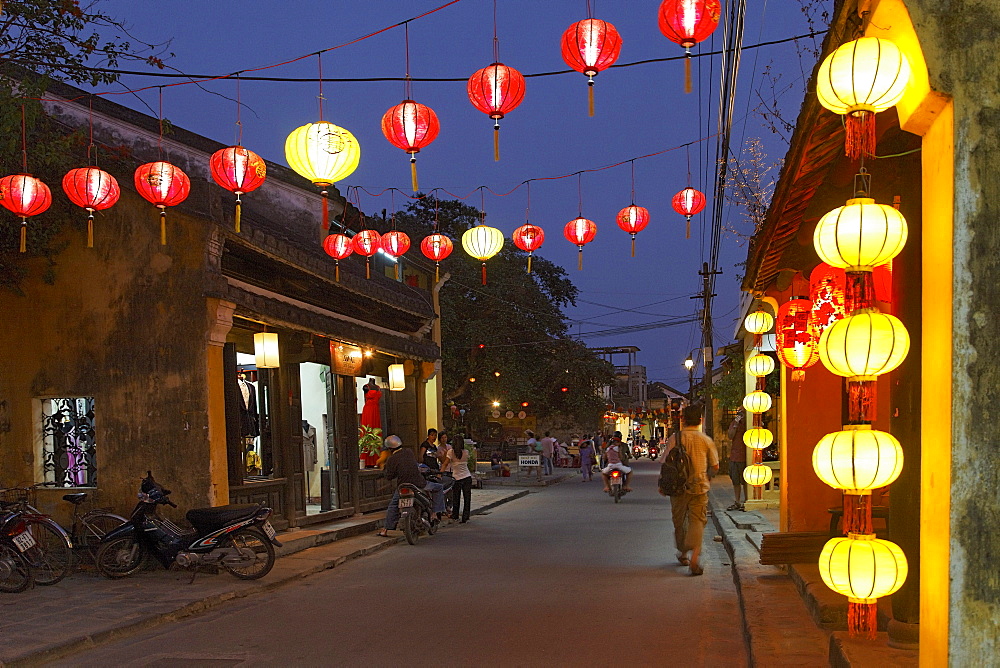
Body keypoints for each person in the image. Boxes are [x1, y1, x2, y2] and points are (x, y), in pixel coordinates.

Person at [662, 405, 719, 576]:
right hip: (699, 487)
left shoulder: (675, 438)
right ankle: (694, 557)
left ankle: (683, 553)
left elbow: (665, 462)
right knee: (697, 521)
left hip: (678, 488)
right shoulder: (706, 440)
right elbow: (715, 466)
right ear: (700, 420)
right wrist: (707, 476)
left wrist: (662, 485)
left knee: (679, 521)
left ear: (683, 420)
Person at [377, 435, 446, 537]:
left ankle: (385, 530)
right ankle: (434, 513)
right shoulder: (408, 452)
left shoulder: (391, 459)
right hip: (418, 483)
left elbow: (389, 476)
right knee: (438, 487)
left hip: (403, 485)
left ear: (390, 449)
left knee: (393, 505)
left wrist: (384, 466)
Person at [443, 437, 473, 523]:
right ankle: (465, 517)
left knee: (456, 497)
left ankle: (455, 515)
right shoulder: (466, 452)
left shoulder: (450, 452)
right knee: (467, 498)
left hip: (456, 478)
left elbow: (445, 463)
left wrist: (439, 473)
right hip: (467, 477)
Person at [726, 409, 748, 511]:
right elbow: (730, 436)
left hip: (746, 455)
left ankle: (746, 501)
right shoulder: (734, 423)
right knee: (735, 480)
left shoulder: (748, 424)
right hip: (735, 455)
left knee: (746, 481)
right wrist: (736, 424)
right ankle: (737, 501)